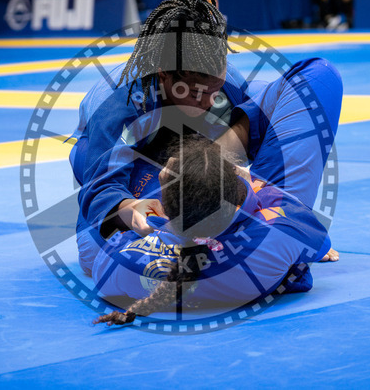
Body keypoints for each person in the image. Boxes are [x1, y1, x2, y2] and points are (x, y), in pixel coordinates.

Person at [69, 0, 342, 278]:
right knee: (92, 249)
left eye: (216, 88)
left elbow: (271, 136)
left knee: (300, 88)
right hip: (124, 160)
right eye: (196, 93)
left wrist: (292, 219)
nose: (209, 101)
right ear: (163, 74)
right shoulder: (120, 103)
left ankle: (268, 222)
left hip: (195, 153)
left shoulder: (224, 83)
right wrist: (131, 208)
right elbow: (102, 186)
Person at [92, 135, 336, 325]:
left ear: (167, 209)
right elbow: (315, 236)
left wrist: (151, 223)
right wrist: (250, 184)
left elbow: (102, 265)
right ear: (234, 197)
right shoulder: (276, 234)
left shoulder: (124, 263)